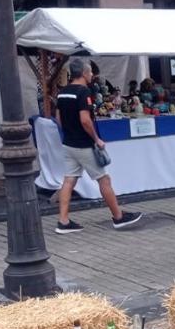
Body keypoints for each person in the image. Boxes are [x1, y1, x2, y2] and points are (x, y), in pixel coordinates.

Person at [53, 59, 142, 234]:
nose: (92, 75)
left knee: (69, 180)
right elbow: (85, 120)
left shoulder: (62, 93)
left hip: (68, 143)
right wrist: (96, 139)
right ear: (84, 73)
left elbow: (58, 118)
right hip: (84, 144)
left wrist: (68, 131)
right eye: (90, 72)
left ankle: (63, 221)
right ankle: (118, 217)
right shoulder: (83, 92)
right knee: (104, 179)